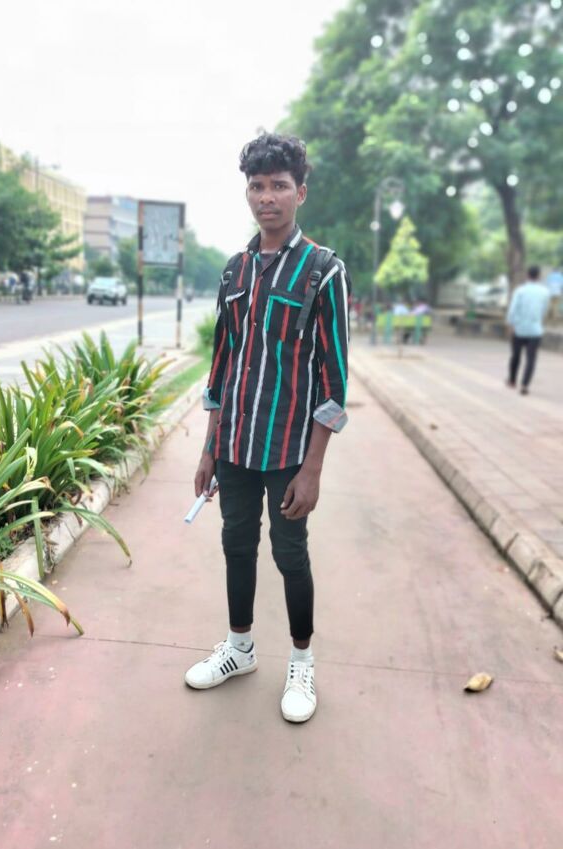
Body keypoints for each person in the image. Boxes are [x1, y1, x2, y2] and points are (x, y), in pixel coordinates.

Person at [186, 133, 350, 724]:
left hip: (288, 449)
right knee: (236, 545)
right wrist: (209, 449)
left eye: (279, 185)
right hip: (234, 444)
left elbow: (333, 379)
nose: (267, 197)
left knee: (289, 553)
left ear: (300, 192)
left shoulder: (323, 271)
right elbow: (222, 363)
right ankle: (240, 648)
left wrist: (313, 469)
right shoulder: (235, 270)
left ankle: (301, 662)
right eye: (257, 186)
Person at [506, 265, 550, 395]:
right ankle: (525, 385)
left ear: (527, 275)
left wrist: (511, 324)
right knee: (531, 358)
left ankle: (512, 381)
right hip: (535, 330)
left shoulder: (520, 290)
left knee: (516, 355)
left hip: (519, 328)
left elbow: (512, 310)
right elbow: (544, 310)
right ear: (539, 276)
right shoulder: (545, 292)